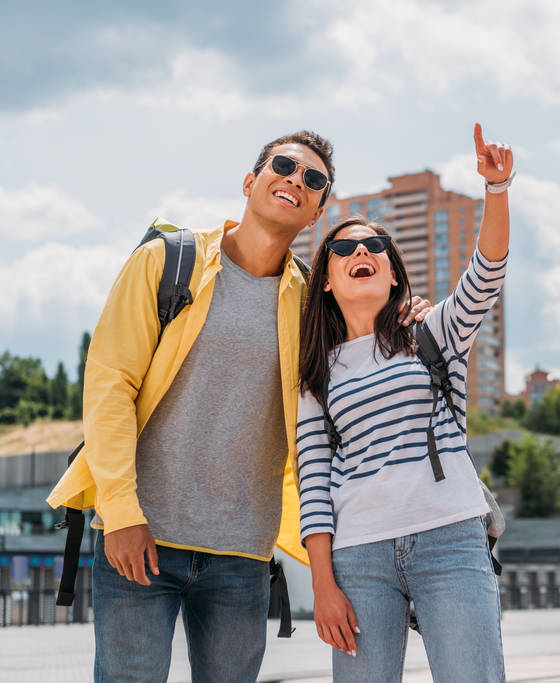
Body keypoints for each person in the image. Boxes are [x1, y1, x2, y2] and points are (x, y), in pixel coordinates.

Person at [45, 131, 431, 682]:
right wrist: (123, 512)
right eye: (284, 166)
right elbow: (110, 388)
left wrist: (408, 312)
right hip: (140, 536)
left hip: (242, 555)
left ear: (317, 213)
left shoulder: (310, 303)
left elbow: (366, 342)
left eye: (313, 180)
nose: (296, 180)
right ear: (251, 182)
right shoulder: (167, 262)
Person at [296, 123, 512, 682]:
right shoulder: (315, 371)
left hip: (450, 540)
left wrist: (496, 189)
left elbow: (486, 274)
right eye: (344, 248)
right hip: (358, 556)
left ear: (392, 273)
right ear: (325, 279)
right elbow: (314, 482)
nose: (361, 252)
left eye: (376, 248)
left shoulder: (434, 331)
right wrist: (323, 584)